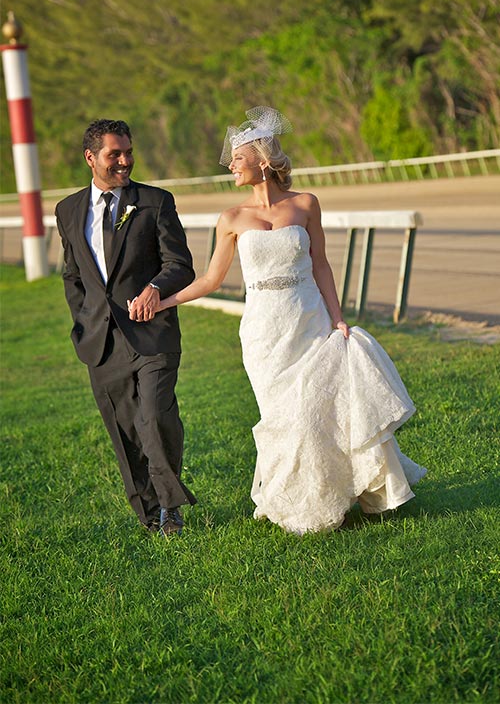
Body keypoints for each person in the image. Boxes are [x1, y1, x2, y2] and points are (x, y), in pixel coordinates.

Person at [145, 106, 427, 535]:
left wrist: (338, 318)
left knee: (318, 408)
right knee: (283, 414)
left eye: (237, 158)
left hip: (309, 318)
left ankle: (337, 493)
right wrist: (163, 302)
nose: (230, 165)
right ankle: (295, 498)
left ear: (262, 159)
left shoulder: (306, 205)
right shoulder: (232, 218)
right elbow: (211, 278)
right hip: (263, 331)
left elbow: (322, 265)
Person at [56, 118, 196, 537]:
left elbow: (180, 265)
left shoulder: (155, 202)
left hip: (152, 333)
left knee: (154, 416)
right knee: (125, 428)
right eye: (114, 154)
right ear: (90, 158)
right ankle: (148, 511)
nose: (124, 161)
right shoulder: (67, 210)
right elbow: (73, 275)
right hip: (99, 341)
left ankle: (171, 507)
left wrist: (155, 289)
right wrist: (83, 321)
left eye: (128, 152)